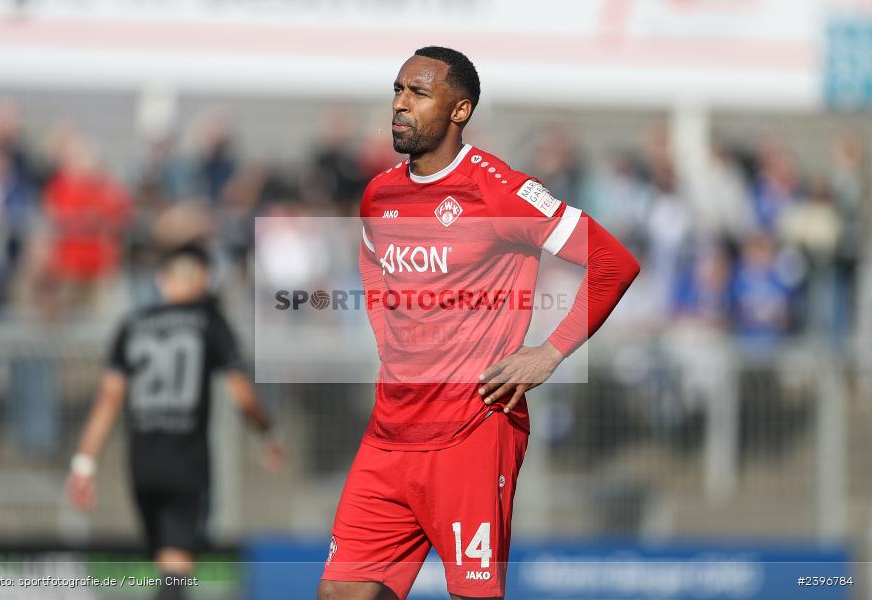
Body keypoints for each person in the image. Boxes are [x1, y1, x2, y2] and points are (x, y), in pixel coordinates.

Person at [318, 47, 640, 600]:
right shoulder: (380, 193)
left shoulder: (499, 190)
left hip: (472, 429)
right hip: (390, 434)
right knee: (340, 593)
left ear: (460, 110)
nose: (400, 104)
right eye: (398, 90)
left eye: (418, 93)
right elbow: (371, 261)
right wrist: (388, 333)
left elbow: (613, 261)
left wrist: (550, 351)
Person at [66, 243, 283, 600]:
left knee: (165, 561)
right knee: (176, 569)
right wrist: (267, 435)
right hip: (187, 459)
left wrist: (84, 464)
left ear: (161, 280)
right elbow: (242, 395)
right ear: (205, 278)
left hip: (142, 461)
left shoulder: (132, 324)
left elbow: (108, 399)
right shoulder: (209, 321)